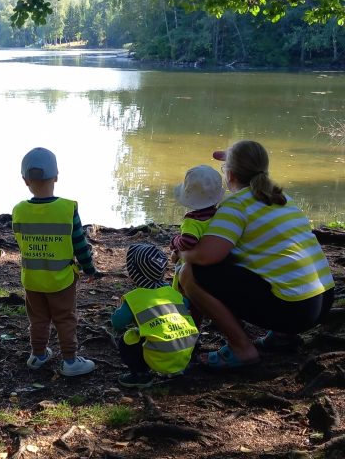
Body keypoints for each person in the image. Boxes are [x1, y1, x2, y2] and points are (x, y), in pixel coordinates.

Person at [178, 140, 335, 369]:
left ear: (230, 175)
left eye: (224, 169)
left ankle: (242, 349)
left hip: (295, 310)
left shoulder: (236, 205)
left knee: (190, 274)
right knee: (268, 263)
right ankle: (282, 336)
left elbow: (204, 257)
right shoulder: (282, 199)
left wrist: (183, 252)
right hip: (322, 300)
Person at [12, 147, 99, 376]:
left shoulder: (19, 210)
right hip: (61, 280)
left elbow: (21, 242)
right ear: (57, 176)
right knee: (65, 318)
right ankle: (70, 361)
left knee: (38, 319)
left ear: (25, 180)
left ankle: (38, 355)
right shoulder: (67, 208)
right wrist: (89, 269)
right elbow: (79, 244)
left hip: (32, 279)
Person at [111, 243, 199, 388]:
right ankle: (178, 369)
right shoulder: (172, 292)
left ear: (134, 273)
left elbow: (117, 322)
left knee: (128, 338)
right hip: (186, 351)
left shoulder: (135, 298)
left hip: (159, 357)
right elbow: (186, 304)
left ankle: (141, 376)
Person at [170, 165, 224, 293]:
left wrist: (175, 242)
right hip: (214, 264)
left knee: (183, 294)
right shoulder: (220, 215)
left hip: (191, 267)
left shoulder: (192, 220)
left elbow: (188, 241)